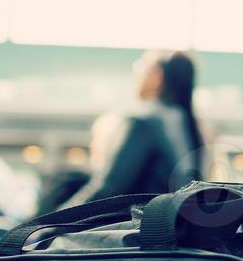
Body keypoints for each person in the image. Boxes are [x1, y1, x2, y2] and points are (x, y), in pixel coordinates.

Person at [67, 49, 206, 205]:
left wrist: (51, 224)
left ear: (157, 76)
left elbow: (108, 190)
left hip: (142, 225)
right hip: (171, 225)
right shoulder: (192, 130)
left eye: (142, 68)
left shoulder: (143, 123)